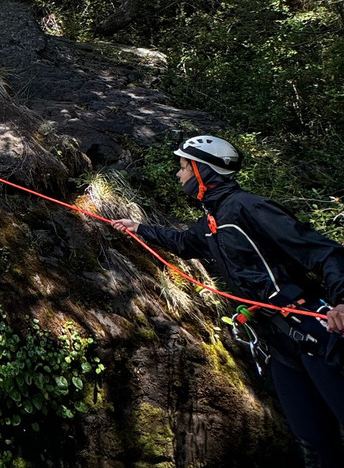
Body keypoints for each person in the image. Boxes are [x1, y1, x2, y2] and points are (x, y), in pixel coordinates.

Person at [109, 135, 344, 467]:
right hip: (277, 343)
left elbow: (324, 252)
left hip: (313, 330)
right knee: (313, 444)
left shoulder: (249, 208)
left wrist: (342, 301)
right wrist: (139, 228)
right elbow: (184, 243)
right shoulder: (213, 221)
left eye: (183, 167)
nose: (178, 174)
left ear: (203, 171)